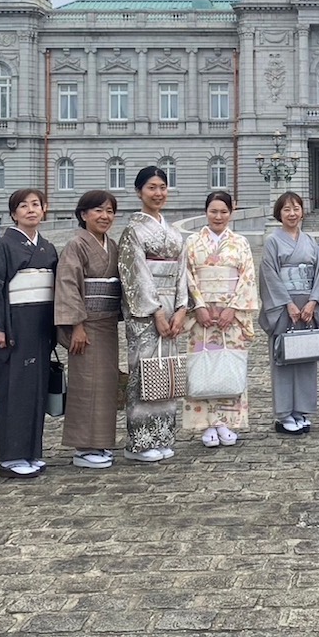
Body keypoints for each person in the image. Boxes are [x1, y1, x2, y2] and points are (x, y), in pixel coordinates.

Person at [0, 188, 59, 479]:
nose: (31, 210)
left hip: (39, 325)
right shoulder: (4, 246)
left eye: (36, 205)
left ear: (44, 210)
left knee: (35, 389)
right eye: (23, 206)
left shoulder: (48, 247)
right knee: (13, 390)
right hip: (13, 327)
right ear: (13, 214)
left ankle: (32, 451)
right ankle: (10, 457)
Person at [117, 166, 189, 462]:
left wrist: (182, 308)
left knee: (166, 371)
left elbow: (181, 272)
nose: (158, 193)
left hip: (172, 306)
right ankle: (141, 441)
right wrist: (156, 311)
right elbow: (134, 274)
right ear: (139, 192)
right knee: (143, 371)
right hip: (146, 313)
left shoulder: (174, 233)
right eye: (151, 188)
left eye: (162, 187)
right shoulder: (133, 230)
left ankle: (163, 435)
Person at [54, 190, 123, 469]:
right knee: (86, 384)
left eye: (109, 211)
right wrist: (77, 326)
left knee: (106, 384)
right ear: (83, 215)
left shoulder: (113, 245)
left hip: (106, 323)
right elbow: (68, 285)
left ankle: (101, 441)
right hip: (86, 324)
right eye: (98, 211)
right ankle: (83, 446)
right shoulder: (76, 245)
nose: (105, 216)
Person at [185, 190, 259, 448]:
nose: (218, 216)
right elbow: (187, 276)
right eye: (213, 211)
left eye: (223, 211)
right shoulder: (193, 242)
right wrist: (199, 307)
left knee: (230, 365)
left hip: (231, 314)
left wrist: (233, 309)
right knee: (203, 366)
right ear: (205, 211)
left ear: (232, 212)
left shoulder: (240, 242)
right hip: (202, 315)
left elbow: (247, 277)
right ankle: (205, 424)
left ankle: (228, 421)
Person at [259, 192, 319, 435]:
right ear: (279, 213)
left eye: (296, 208)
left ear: (302, 211)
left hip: (307, 307)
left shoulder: (309, 240)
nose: (292, 213)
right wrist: (287, 304)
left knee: (306, 357)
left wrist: (313, 302)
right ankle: (285, 413)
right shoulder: (272, 242)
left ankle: (302, 410)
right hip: (285, 307)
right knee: (284, 359)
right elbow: (269, 276)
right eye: (286, 209)